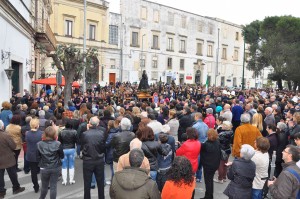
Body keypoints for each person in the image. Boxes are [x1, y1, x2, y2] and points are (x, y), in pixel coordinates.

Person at [81, 116, 106, 199]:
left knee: (87, 183)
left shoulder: (85, 134)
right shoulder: (101, 133)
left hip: (88, 160)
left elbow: (82, 146)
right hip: (99, 159)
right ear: (98, 124)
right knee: (100, 182)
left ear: (90, 123)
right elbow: (103, 147)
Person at [37, 126, 64, 199]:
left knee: (44, 186)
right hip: (55, 167)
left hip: (44, 167)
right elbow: (62, 156)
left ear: (45, 134)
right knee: (53, 186)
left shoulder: (39, 144)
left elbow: (37, 157)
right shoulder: (58, 143)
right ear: (54, 134)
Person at [0, 120, 25, 198]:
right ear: (2, 126)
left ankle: (1, 192)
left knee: (0, 176)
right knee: (13, 174)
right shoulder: (5, 135)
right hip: (8, 158)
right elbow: (13, 146)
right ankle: (16, 188)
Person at [176, 127, 201, 195]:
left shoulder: (186, 144)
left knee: (183, 182)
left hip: (186, 165)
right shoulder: (198, 143)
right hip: (194, 164)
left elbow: (178, 153)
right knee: (191, 181)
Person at [200, 129, 221, 199]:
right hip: (215, 164)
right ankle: (209, 195)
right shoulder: (217, 142)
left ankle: (208, 196)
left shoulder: (206, 144)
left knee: (208, 181)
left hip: (208, 166)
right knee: (210, 180)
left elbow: (201, 148)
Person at [25, 118, 43, 193]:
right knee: (43, 171)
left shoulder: (27, 133)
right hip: (40, 154)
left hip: (31, 154)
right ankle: (45, 185)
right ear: (37, 125)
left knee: (33, 172)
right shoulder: (41, 133)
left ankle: (36, 187)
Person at [58, 118, 77, 185]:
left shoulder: (61, 132)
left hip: (63, 149)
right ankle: (71, 180)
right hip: (72, 149)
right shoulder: (74, 131)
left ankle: (64, 181)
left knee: (64, 165)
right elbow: (76, 141)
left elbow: (59, 142)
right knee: (71, 164)